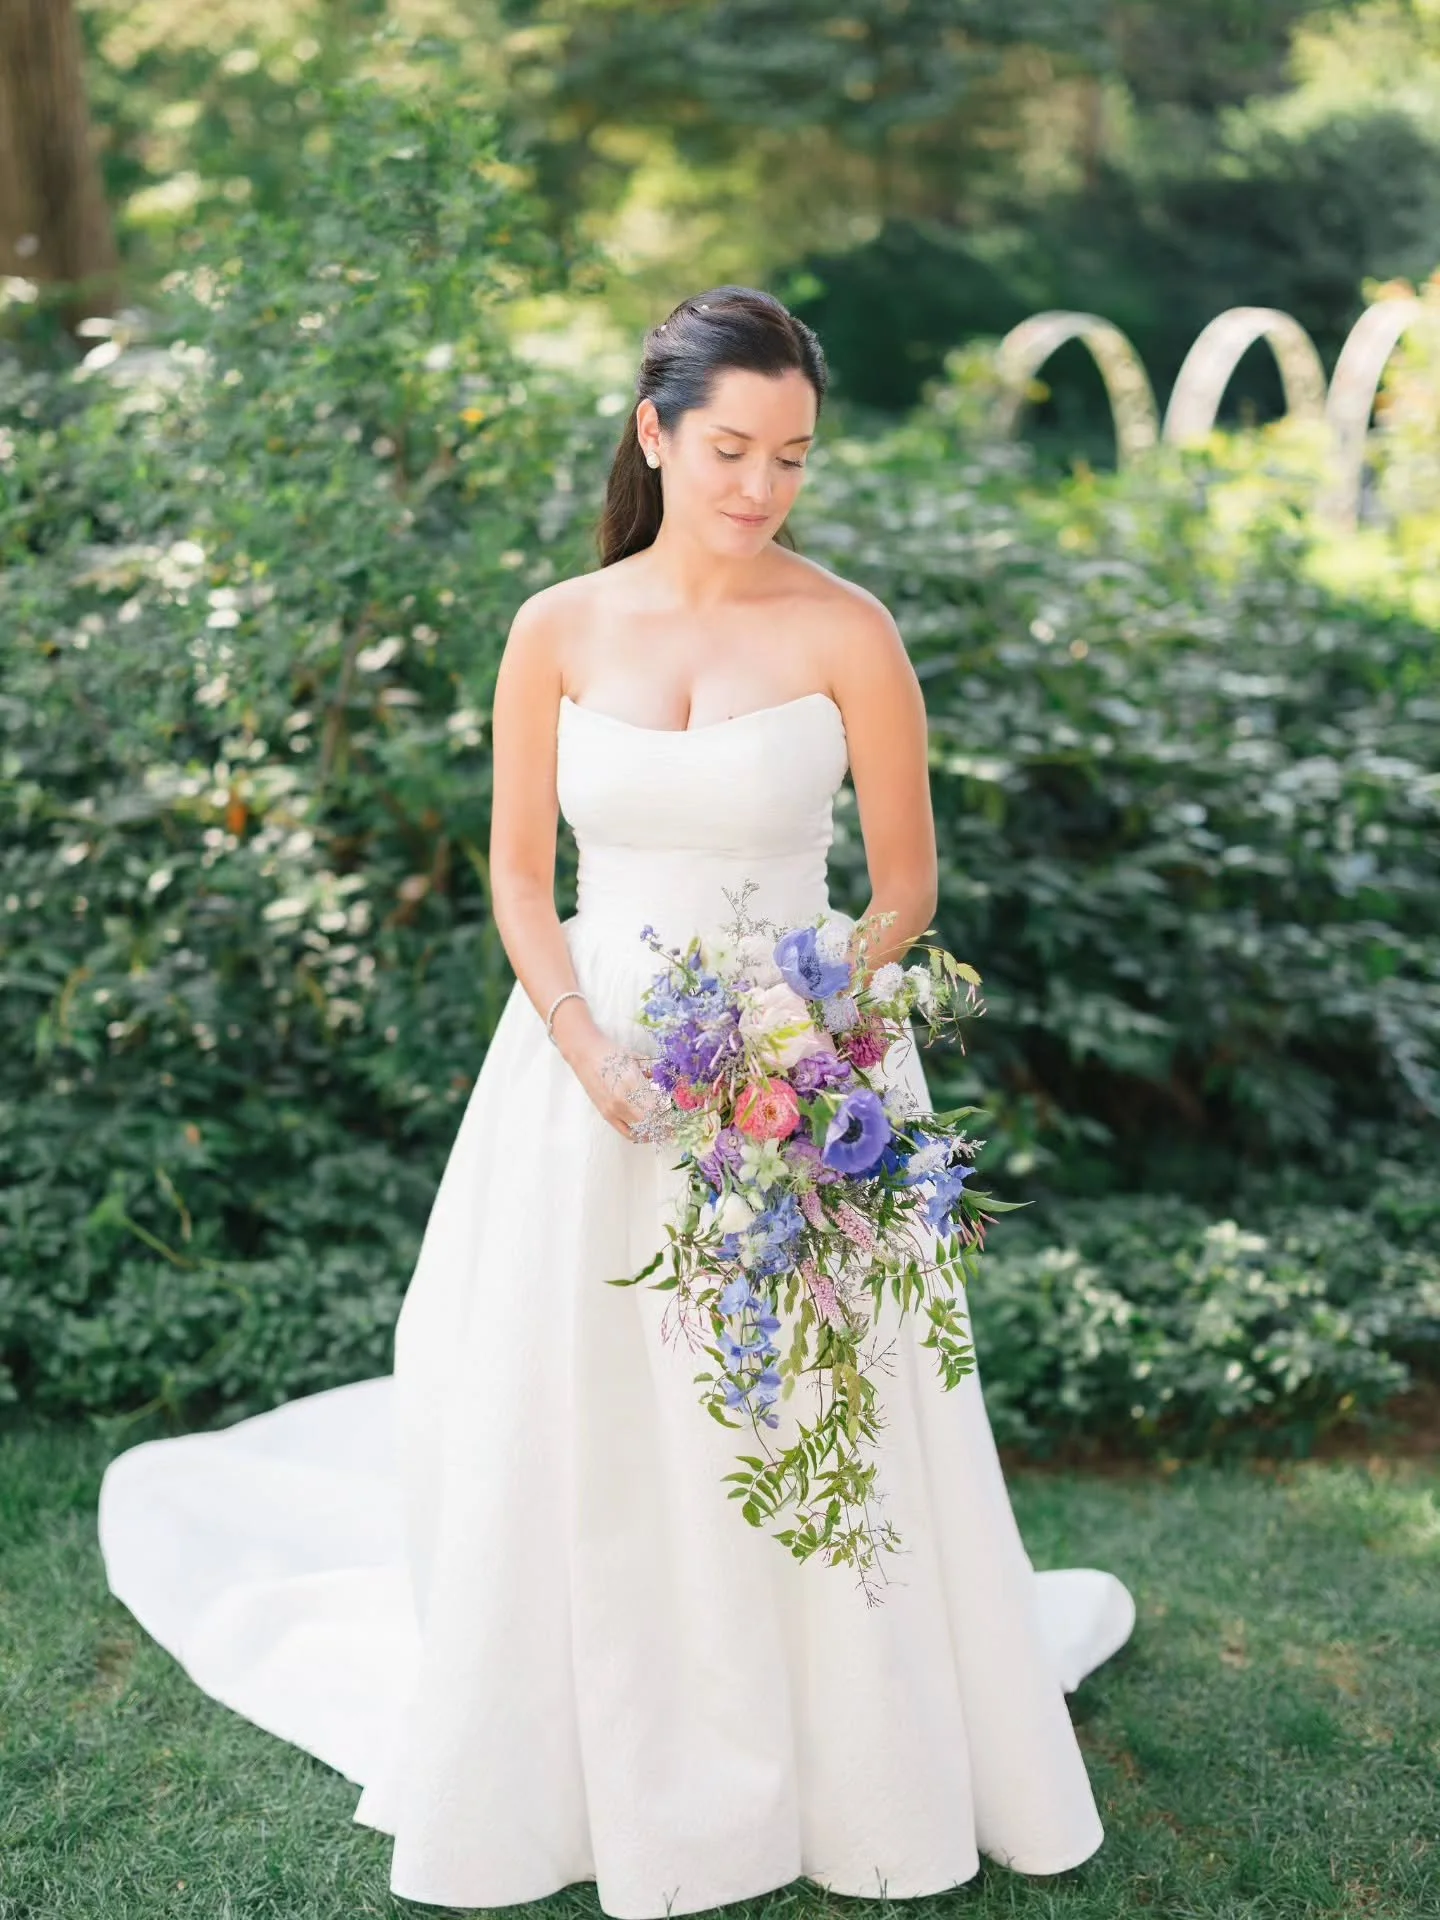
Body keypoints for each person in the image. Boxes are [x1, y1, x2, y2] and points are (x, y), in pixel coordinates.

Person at [97, 284, 1136, 1917]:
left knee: (806, 1400)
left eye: (791, 457)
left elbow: (906, 892)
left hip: (804, 1075)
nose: (759, 486)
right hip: (591, 1069)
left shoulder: (848, 628)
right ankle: (595, 1734)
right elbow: (522, 879)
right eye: (729, 448)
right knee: (579, 1399)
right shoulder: (556, 628)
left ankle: (850, 1750)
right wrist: (588, 1044)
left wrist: (806, 1043)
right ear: (656, 432)